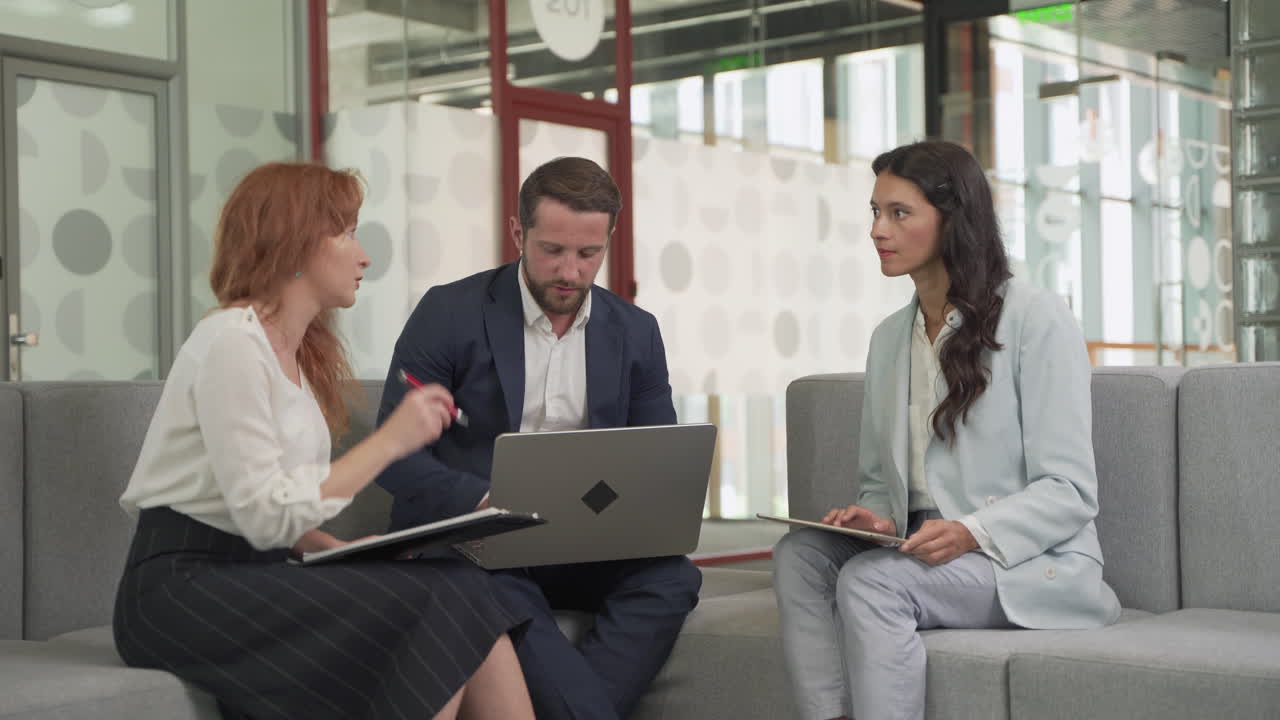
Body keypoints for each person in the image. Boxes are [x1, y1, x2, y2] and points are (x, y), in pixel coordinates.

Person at [113, 162, 536, 720]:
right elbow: (265, 516)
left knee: (463, 583)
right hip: (179, 590)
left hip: (255, 569)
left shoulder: (296, 356)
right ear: (295, 243)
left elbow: (273, 509)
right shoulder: (231, 343)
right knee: (432, 603)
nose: (364, 256)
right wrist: (390, 442)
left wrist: (345, 552)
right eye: (347, 234)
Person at [772, 140, 1121, 720]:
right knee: (799, 556)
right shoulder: (889, 338)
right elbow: (880, 483)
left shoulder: (1037, 318)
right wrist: (877, 519)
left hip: (1024, 561)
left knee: (871, 583)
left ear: (952, 219)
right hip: (919, 544)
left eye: (899, 213)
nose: (877, 230)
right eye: (875, 212)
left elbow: (1071, 491)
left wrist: (969, 532)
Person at [375, 156, 702, 720]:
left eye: (588, 253)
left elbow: (658, 461)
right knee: (491, 585)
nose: (570, 271)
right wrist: (483, 504)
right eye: (553, 250)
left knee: (671, 578)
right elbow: (394, 455)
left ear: (609, 240)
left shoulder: (637, 332)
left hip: (585, 544)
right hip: (473, 543)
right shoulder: (448, 313)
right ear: (517, 233)